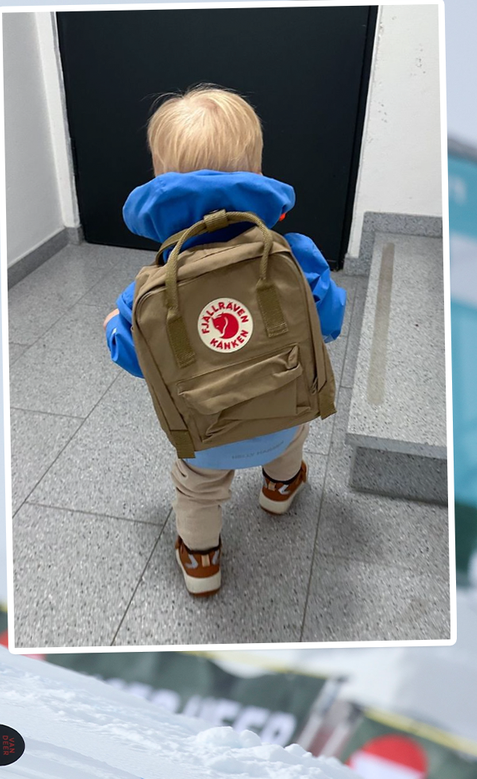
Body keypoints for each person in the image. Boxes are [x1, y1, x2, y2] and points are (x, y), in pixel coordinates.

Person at [103, 86, 345, 598]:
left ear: (161, 183)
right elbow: (330, 322)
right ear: (255, 171)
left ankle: (201, 560)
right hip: (284, 414)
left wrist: (112, 323)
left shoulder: (149, 287)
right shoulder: (294, 255)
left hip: (206, 436)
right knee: (290, 440)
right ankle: (280, 488)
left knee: (198, 490)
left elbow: (133, 358)